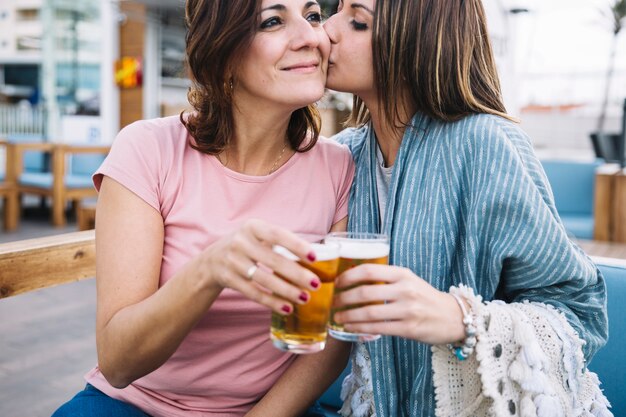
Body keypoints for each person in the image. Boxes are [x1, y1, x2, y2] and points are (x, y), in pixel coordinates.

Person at [52, 0, 354, 416]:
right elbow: (118, 362)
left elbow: (333, 341)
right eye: (273, 21)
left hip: (273, 407)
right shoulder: (147, 150)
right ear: (223, 56)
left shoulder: (339, 168)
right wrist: (209, 270)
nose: (311, 38)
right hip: (138, 404)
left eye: (314, 16)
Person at [323, 1, 612, 416]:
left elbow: (581, 312)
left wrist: (462, 320)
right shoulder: (342, 157)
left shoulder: (486, 145)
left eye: (357, 21)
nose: (327, 30)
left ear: (414, 43)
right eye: (336, 10)